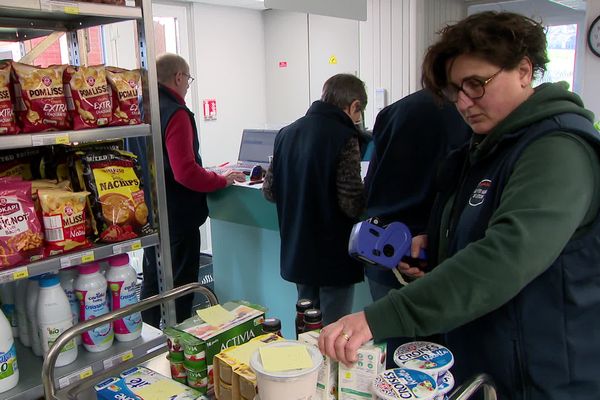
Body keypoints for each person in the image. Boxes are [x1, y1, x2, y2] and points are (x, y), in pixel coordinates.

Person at [318, 11, 600, 399]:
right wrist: (436, 247)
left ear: (523, 70)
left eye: (476, 84)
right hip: (486, 365)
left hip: (541, 375)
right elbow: (478, 229)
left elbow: (504, 257)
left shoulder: (557, 150)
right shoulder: (488, 146)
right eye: (455, 90)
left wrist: (382, 316)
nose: (464, 102)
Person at [141, 53, 245, 326]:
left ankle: (149, 349)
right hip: (178, 219)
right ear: (178, 77)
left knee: (152, 287)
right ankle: (179, 351)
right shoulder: (176, 113)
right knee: (181, 291)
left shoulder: (143, 109)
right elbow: (185, 172)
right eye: (187, 78)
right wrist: (221, 179)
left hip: (149, 217)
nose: (188, 84)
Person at [262, 73, 367, 325]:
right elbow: (350, 202)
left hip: (298, 250)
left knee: (306, 325)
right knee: (334, 330)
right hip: (334, 256)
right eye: (358, 112)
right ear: (354, 106)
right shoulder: (344, 136)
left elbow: (270, 191)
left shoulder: (286, 133)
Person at [364, 89, 469, 301]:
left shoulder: (392, 113)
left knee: (390, 328)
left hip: (384, 248)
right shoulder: (467, 116)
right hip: (433, 256)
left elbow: (370, 185)